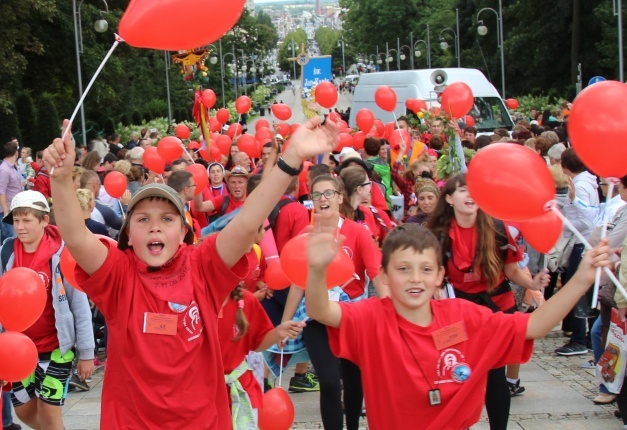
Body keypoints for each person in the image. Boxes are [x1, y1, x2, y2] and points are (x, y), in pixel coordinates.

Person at [42, 116, 338, 428]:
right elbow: (75, 236)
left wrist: (292, 158)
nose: (155, 224)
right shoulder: (119, 273)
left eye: (167, 219)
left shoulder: (203, 265)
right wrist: (61, 179)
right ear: (128, 233)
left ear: (184, 229)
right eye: (142, 219)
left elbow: (249, 219)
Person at [304, 215, 610, 430]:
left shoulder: (465, 317)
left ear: (439, 276)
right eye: (403, 269)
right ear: (384, 276)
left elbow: (535, 326)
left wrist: (582, 278)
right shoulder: (371, 318)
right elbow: (321, 311)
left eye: (426, 269)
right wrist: (317, 270)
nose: (415, 278)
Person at [427, 174, 549, 429]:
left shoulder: (497, 228)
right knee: (455, 372)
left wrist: (533, 284)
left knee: (495, 374)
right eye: (462, 190)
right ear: (449, 198)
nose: (469, 195)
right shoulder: (437, 234)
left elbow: (512, 270)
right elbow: (430, 273)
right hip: (457, 310)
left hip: (497, 308)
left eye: (474, 191)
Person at [282, 174, 381, 430]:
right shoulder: (307, 235)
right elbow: (298, 280)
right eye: (316, 195)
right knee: (328, 381)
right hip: (317, 316)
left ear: (339, 197)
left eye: (328, 193)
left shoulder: (357, 232)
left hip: (352, 317)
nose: (322, 199)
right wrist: (286, 322)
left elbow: (377, 275)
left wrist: (390, 313)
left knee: (353, 381)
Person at [0, 190, 95, 430]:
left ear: (44, 220)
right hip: (17, 350)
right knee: (24, 413)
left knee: (50, 415)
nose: (20, 227)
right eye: (16, 220)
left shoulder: (62, 253)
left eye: (27, 220)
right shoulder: (6, 252)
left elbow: (79, 304)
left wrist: (86, 353)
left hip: (56, 349)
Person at [219, 280, 304, 430]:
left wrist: (278, 332)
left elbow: (258, 344)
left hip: (240, 388)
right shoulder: (190, 302)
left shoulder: (245, 300)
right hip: (201, 391)